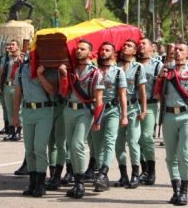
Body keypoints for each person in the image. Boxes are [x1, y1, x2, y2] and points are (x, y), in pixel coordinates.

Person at [154, 42, 188, 205]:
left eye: (181, 50)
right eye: (175, 50)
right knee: (170, 156)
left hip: (187, 116)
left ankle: (184, 191)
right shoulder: (166, 71)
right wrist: (160, 78)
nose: (177, 52)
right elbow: (156, 95)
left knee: (184, 153)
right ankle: (175, 190)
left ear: (187, 53)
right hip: (169, 115)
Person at [58, 39, 104, 199]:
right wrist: (64, 76)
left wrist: (98, 120)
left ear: (90, 53)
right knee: (70, 146)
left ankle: (81, 183)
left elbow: (99, 99)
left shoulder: (95, 73)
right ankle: (77, 182)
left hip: (85, 112)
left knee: (77, 144)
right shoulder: (71, 70)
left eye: (82, 49)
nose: (79, 51)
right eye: (77, 49)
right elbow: (63, 93)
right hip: (69, 110)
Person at [13, 57, 57, 197]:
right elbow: (18, 93)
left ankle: (41, 184)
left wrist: (40, 75)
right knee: (29, 149)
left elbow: (52, 91)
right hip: (27, 111)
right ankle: (32, 183)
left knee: (39, 148)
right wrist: (15, 116)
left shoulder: (48, 69)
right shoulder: (21, 69)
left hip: (44, 110)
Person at [92, 42, 128, 192]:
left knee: (109, 141)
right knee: (97, 144)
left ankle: (103, 172)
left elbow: (122, 95)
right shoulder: (94, 71)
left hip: (112, 110)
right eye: (102, 50)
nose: (103, 52)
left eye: (107, 50)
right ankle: (102, 177)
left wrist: (124, 115)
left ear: (113, 54)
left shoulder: (119, 72)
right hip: (95, 110)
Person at [115, 39, 147, 189]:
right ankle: (123, 175)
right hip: (118, 109)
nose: (125, 47)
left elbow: (142, 91)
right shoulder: (116, 67)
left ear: (134, 51)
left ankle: (135, 174)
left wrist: (144, 110)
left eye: (129, 46)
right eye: (124, 45)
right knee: (118, 143)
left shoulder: (138, 67)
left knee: (133, 141)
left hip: (133, 108)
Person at [136, 38, 162, 186]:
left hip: (150, 105)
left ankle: (151, 171)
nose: (141, 46)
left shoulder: (158, 65)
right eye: (139, 44)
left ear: (152, 47)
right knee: (137, 139)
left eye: (144, 44)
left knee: (146, 137)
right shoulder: (134, 64)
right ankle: (143, 170)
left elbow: (162, 87)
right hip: (135, 105)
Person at [0, 40, 24, 141]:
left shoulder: (23, 59)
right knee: (9, 110)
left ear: (18, 47)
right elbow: (1, 73)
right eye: (10, 44)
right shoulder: (6, 59)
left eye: (13, 45)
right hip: (7, 87)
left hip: (17, 87)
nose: (10, 46)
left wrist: (22, 61)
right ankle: (11, 131)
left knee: (18, 110)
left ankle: (18, 131)